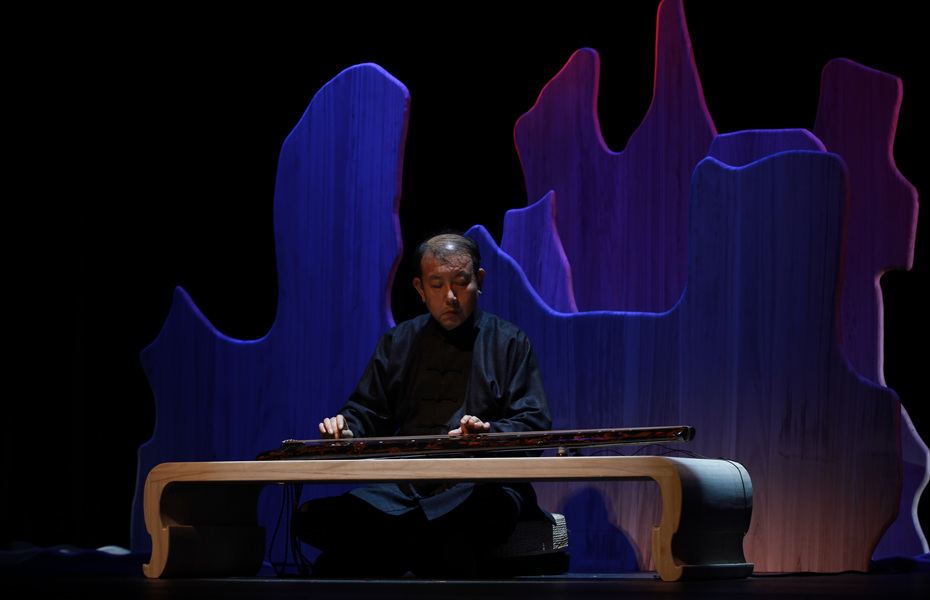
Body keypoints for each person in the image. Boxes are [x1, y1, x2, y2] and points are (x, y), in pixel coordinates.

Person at [292, 232, 552, 577]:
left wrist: (487, 434)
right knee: (310, 518)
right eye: (436, 285)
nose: (450, 297)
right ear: (420, 288)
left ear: (480, 280)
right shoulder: (398, 341)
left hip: (478, 484)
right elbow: (368, 411)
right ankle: (422, 553)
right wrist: (346, 428)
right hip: (404, 485)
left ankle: (386, 555)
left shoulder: (509, 341)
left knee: (487, 512)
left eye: (461, 283)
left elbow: (533, 421)